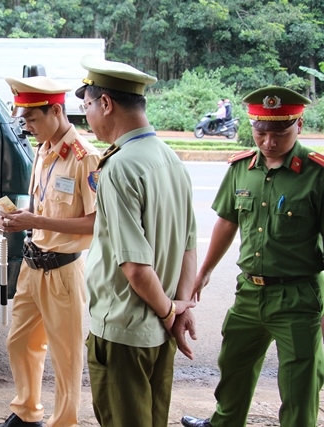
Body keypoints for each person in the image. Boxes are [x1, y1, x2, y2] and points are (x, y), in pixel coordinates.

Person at [181, 86, 324, 427]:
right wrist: (204, 271)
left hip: (298, 298)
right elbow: (227, 221)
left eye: (280, 134)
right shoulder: (241, 168)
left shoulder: (317, 175)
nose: (269, 142)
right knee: (233, 367)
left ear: (299, 126)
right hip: (249, 293)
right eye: (261, 133)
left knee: (299, 384)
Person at [76, 55, 197, 427]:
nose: (87, 116)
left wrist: (169, 311)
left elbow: (135, 269)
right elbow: (189, 248)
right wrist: (179, 308)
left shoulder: (120, 167)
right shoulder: (170, 159)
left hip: (125, 331)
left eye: (87, 106)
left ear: (106, 104)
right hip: (160, 331)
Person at [0, 76, 100, 427]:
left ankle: (64, 421)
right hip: (32, 264)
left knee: (66, 356)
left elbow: (94, 223)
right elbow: (39, 211)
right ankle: (27, 413)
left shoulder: (84, 159)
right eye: (23, 119)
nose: (26, 127)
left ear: (56, 111)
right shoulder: (43, 150)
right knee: (19, 342)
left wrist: (37, 219)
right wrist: (4, 219)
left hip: (63, 271)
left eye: (32, 119)